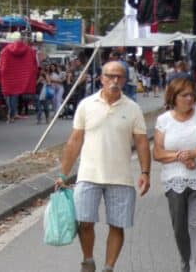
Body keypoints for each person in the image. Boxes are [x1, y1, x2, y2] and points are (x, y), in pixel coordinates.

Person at [56, 61, 151, 272]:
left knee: (117, 225)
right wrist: (63, 174)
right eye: (110, 76)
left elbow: (142, 142)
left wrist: (145, 172)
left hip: (121, 177)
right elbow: (74, 141)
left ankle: (109, 267)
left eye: (119, 77)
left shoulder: (133, 109)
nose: (114, 81)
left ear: (125, 80)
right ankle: (88, 260)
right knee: (85, 221)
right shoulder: (86, 105)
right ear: (101, 78)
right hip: (88, 175)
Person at [153, 76, 196, 272]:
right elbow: (157, 153)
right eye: (184, 95)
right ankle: (186, 262)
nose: (190, 99)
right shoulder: (163, 120)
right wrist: (181, 156)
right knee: (180, 229)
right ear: (174, 97)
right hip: (173, 181)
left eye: (192, 94)